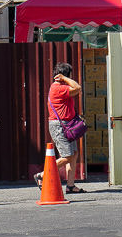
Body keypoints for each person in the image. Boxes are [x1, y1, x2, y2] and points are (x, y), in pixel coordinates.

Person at [35, 62, 85, 194]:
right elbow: (78, 87)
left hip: (68, 125)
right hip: (60, 126)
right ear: (64, 76)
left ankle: (70, 186)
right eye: (69, 75)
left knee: (73, 155)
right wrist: (64, 78)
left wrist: (65, 78)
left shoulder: (61, 87)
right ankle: (42, 175)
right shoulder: (58, 87)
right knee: (67, 156)